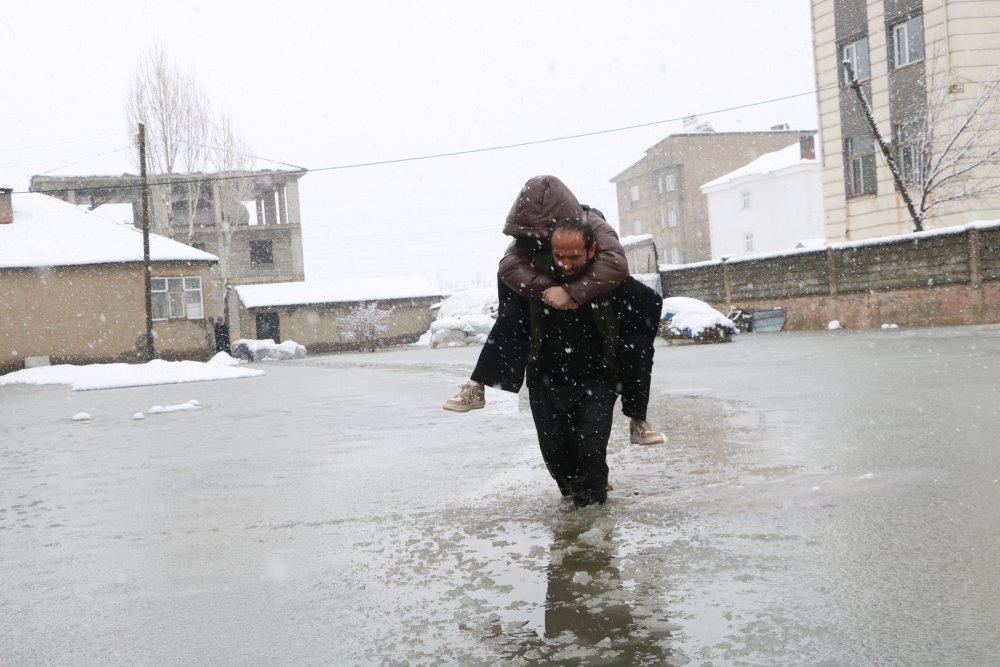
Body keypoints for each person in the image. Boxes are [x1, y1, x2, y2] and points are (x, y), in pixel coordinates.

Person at [443, 175, 665, 446]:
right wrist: (550, 291)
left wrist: (573, 291)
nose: (536, 241)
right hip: (550, 286)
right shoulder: (529, 233)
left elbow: (616, 263)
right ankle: (479, 383)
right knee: (513, 306)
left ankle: (638, 418)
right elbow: (509, 266)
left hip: (597, 283)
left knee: (642, 311)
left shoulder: (593, 223)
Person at [526, 215, 624, 507]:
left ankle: (594, 527)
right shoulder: (533, 278)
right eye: (559, 256)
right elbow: (511, 324)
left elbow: (642, 319)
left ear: (592, 251)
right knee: (557, 457)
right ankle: (575, 506)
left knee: (591, 450)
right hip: (546, 381)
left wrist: (635, 399)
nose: (566, 264)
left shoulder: (608, 279)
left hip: (596, 380)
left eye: (574, 256)